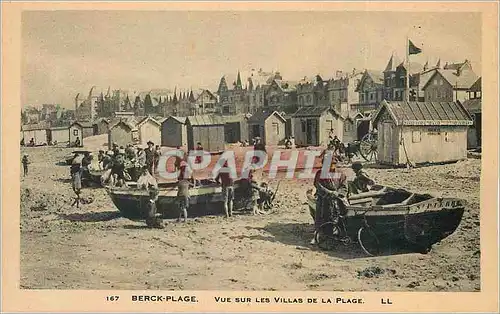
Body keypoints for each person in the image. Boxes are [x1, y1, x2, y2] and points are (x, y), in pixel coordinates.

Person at [311, 156, 348, 245]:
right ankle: (318, 235)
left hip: (337, 200)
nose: (332, 166)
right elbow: (318, 185)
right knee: (320, 218)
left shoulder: (340, 174)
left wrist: (338, 193)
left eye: (333, 164)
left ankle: (337, 235)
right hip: (323, 200)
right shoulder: (320, 173)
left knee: (338, 218)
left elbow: (344, 186)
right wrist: (329, 193)